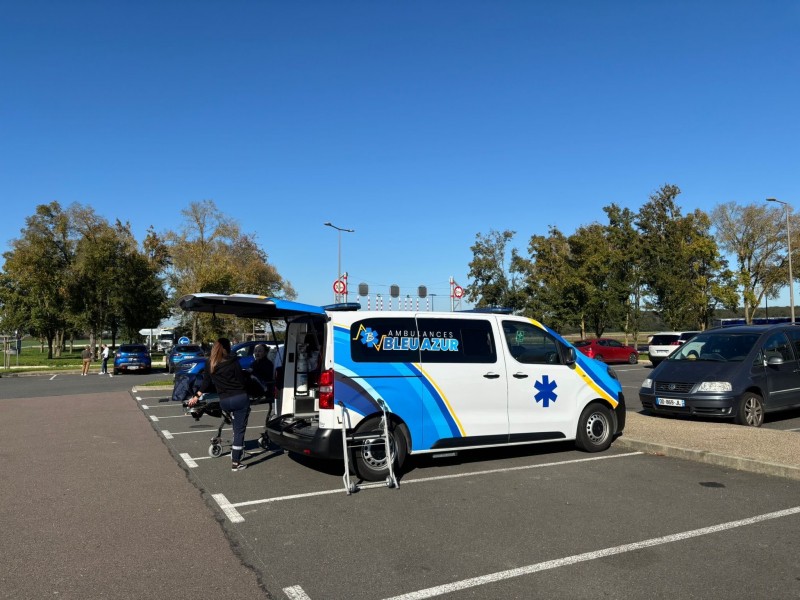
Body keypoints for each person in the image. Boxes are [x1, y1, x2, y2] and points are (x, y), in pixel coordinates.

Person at [187, 338, 251, 471]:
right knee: (239, 430)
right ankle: (236, 462)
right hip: (239, 398)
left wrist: (196, 397)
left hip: (225, 402)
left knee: (234, 423)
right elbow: (242, 380)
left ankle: (235, 445)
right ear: (227, 348)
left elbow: (205, 383)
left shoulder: (210, 363)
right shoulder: (233, 362)